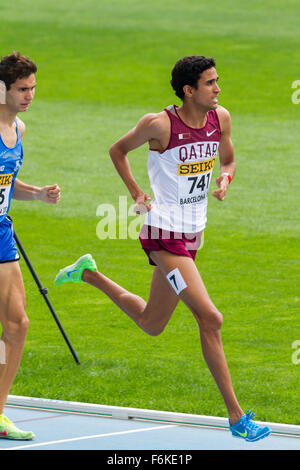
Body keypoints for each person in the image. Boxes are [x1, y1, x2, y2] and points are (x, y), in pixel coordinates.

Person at [54, 56, 271, 442]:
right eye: (210, 83)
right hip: (163, 235)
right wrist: (137, 192)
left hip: (193, 234)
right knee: (211, 318)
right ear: (189, 90)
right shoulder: (159, 124)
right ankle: (237, 417)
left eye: (217, 81)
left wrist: (225, 177)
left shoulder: (220, 118)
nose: (218, 89)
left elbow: (229, 157)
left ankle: (87, 273)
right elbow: (117, 150)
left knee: (152, 324)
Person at [0, 52, 61, 440]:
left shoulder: (19, 129)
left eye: (33, 88)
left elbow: (7, 183)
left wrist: (37, 193)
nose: (29, 96)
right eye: (22, 89)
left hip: (1, 232)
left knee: (18, 324)